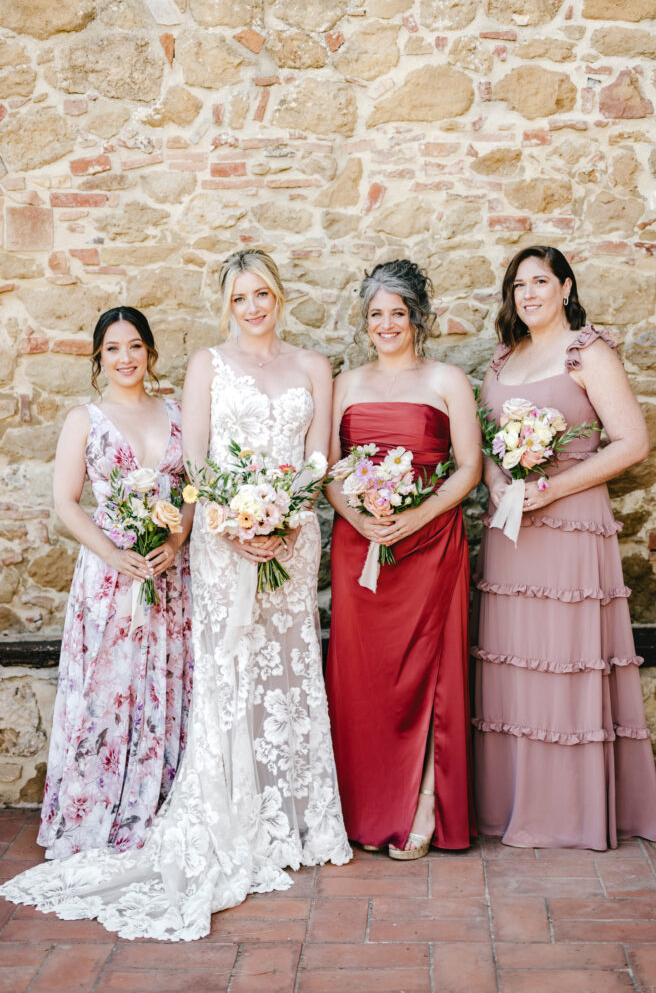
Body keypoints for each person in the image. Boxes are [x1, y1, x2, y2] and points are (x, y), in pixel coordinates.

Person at [0, 250, 350, 941]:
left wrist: (285, 519)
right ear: (226, 304)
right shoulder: (206, 366)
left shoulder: (314, 367)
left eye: (262, 294)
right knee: (227, 674)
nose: (253, 306)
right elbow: (198, 464)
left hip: (293, 536)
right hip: (223, 541)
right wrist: (237, 523)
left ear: (279, 295)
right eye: (240, 297)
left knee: (288, 670)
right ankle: (232, 812)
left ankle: (296, 818)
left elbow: (316, 458)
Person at [473, 245, 656, 850]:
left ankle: (569, 810)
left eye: (539, 282)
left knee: (565, 658)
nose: (527, 294)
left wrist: (548, 488)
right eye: (518, 286)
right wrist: (502, 482)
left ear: (565, 286)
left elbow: (631, 442)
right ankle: (513, 802)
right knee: (516, 661)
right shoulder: (503, 360)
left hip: (571, 522)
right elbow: (483, 446)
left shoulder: (590, 351)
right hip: (511, 531)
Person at [325, 259, 481, 860]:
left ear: (418, 317)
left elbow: (468, 466)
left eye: (397, 312)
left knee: (427, 675)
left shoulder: (447, 380)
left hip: (429, 543)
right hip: (359, 545)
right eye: (375, 314)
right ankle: (361, 807)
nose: (386, 324)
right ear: (365, 323)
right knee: (362, 679)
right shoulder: (345, 385)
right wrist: (357, 516)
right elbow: (329, 470)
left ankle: (422, 808)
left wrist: (417, 515)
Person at [38, 306, 193, 858]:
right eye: (112, 348)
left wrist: (174, 544)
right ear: (98, 357)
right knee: (109, 688)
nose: (124, 358)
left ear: (150, 352)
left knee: (167, 683)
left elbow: (191, 492)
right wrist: (113, 554)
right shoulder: (85, 418)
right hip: (109, 577)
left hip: (170, 577)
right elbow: (64, 501)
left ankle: (161, 800)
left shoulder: (177, 412)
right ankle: (98, 807)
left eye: (134, 346)